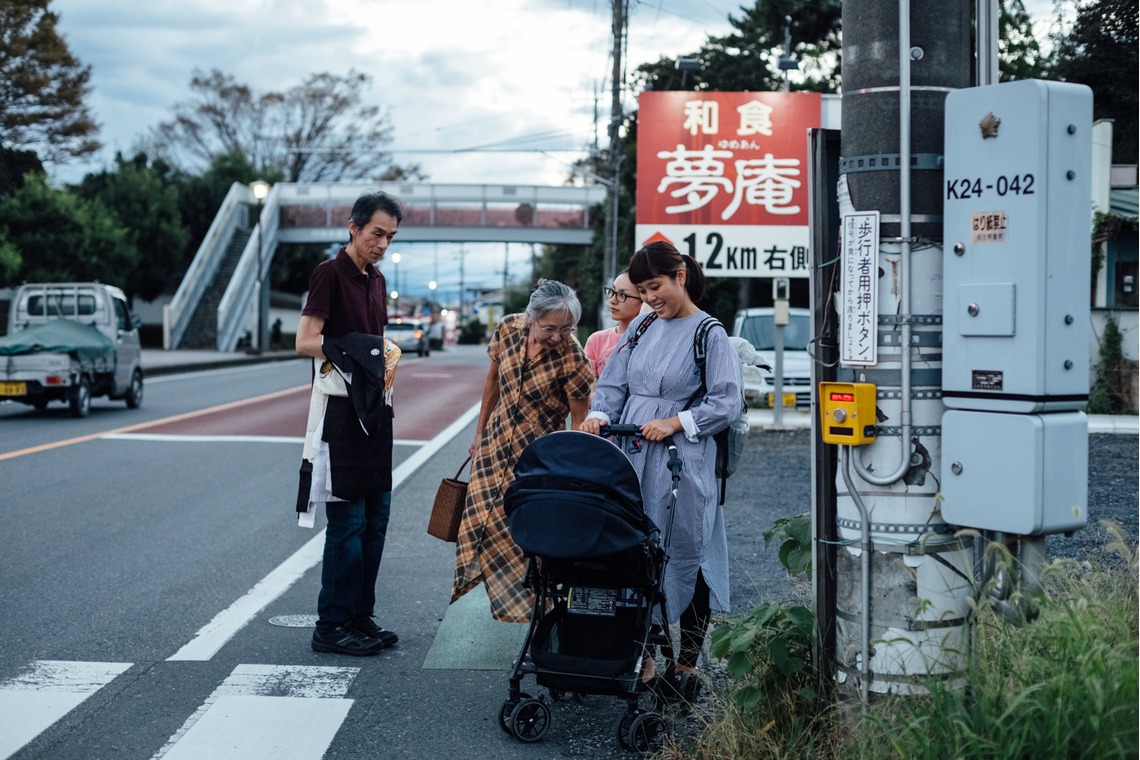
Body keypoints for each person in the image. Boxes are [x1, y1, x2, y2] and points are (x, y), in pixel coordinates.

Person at [578, 241, 741, 705]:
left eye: (656, 287)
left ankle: (686, 665)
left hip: (680, 462)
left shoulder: (709, 333)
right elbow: (613, 381)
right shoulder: (645, 325)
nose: (649, 298)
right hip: (631, 453)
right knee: (634, 555)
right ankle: (644, 657)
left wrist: (676, 421)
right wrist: (600, 415)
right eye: (643, 290)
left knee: (687, 549)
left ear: (680, 277)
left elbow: (726, 402)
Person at [295, 191, 402, 656]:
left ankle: (360, 615)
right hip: (340, 413)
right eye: (377, 233)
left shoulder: (376, 280)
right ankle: (332, 624)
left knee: (376, 518)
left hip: (375, 408)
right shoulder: (329, 273)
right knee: (348, 521)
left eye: (391, 237)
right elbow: (305, 341)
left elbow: (374, 342)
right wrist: (358, 351)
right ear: (353, 227)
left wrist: (383, 354)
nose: (382, 243)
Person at [452, 280, 595, 622]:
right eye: (549, 328)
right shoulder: (507, 329)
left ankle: (534, 613)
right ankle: (494, 597)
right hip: (495, 445)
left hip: (538, 457)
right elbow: (492, 383)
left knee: (523, 536)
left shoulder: (573, 355)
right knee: (475, 526)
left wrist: (570, 470)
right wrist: (479, 433)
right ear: (531, 318)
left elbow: (579, 419)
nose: (557, 337)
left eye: (566, 329)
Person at [583, 270, 642, 377]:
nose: (612, 300)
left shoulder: (649, 342)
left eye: (622, 295)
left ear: (643, 300)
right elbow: (589, 389)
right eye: (612, 291)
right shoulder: (596, 341)